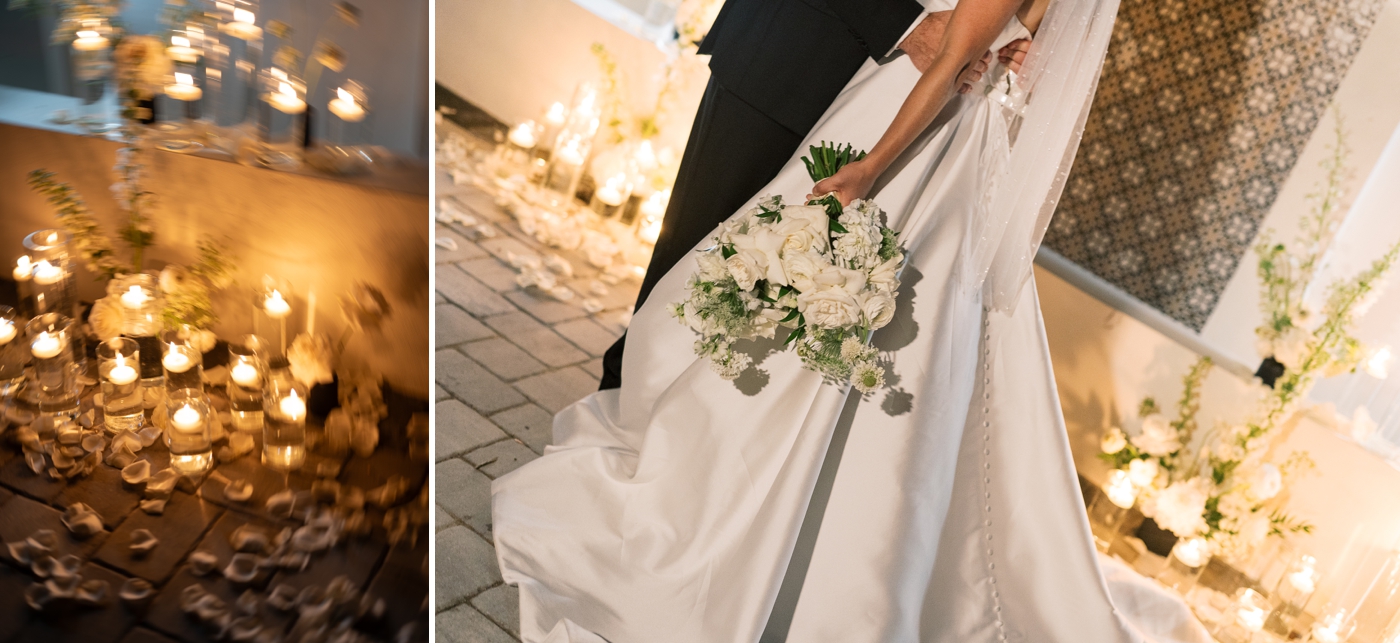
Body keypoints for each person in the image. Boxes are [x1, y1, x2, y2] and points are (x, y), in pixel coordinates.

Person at [493, 0, 1136, 640]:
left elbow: (954, 60)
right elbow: (1020, 53)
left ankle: (716, 488)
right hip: (928, 122)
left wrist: (869, 168)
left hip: (908, 122)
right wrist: (1011, 49)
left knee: (806, 300)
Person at [598, 0, 1033, 390]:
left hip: (901, 112)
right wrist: (909, 25)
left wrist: (1014, 40)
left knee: (782, 305)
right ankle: (622, 401)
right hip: (793, 54)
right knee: (691, 260)